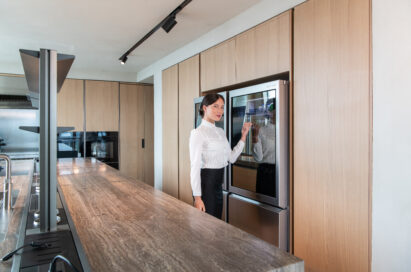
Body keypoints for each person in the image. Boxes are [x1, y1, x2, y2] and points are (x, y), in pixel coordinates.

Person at [189, 93, 252, 218]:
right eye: (215, 106)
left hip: (218, 187)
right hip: (206, 187)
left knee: (216, 224)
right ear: (205, 108)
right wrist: (197, 198)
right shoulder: (198, 133)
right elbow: (194, 167)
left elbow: (231, 158)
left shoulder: (221, 132)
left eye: (222, 107)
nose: (220, 111)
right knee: (206, 227)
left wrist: (243, 136)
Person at [252, 99, 276, 197]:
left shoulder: (289, 129)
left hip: (284, 173)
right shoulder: (261, 131)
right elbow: (258, 158)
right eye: (271, 109)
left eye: (275, 109)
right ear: (267, 112)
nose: (274, 112)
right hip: (265, 174)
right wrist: (255, 137)